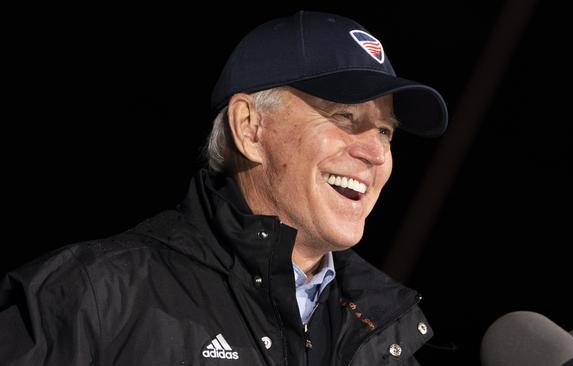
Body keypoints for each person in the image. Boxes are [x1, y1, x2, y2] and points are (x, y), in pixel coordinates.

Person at [0, 10, 448, 366]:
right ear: (249, 128)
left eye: (385, 132)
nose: (375, 154)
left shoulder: (388, 343)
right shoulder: (93, 297)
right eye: (343, 118)